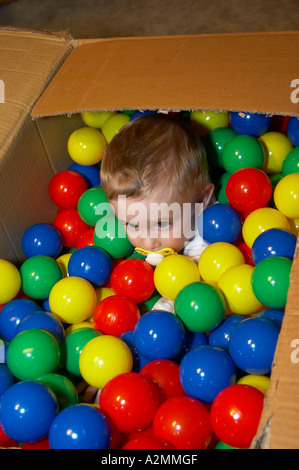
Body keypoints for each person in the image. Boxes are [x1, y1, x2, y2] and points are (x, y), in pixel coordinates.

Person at [100, 113, 215, 266]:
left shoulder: (206, 250)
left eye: (161, 224)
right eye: (133, 225)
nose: (148, 243)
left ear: (201, 200)